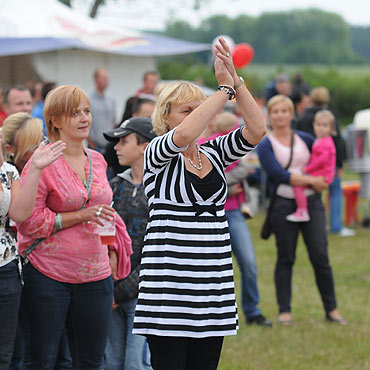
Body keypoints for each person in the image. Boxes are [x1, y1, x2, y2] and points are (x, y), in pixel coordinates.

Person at [132, 37, 266, 370]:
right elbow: (182, 136)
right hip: (170, 291)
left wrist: (236, 81)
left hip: (211, 288)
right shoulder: (157, 152)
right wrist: (223, 93)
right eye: (187, 110)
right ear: (166, 116)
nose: (198, 116)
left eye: (199, 108)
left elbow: (257, 129)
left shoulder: (215, 153)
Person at [16, 85, 132, 369]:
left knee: (91, 361)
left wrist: (111, 250)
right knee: (42, 360)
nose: (84, 118)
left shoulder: (98, 159)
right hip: (48, 276)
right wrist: (80, 216)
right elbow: (28, 223)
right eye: (74, 113)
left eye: (87, 111)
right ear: (55, 120)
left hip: (96, 276)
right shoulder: (42, 162)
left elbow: (105, 212)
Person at [257, 94, 346, 326]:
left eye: (284, 110)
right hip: (284, 205)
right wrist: (310, 180)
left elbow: (326, 158)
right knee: (285, 258)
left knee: (320, 256)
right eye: (275, 111)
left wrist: (323, 179)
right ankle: (284, 311)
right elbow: (278, 175)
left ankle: (332, 309)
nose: (280, 115)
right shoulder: (266, 144)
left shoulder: (306, 138)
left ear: (291, 113)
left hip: (313, 203)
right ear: (269, 115)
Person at [2, 112, 73, 370]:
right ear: (11, 148)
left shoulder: (22, 171)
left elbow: (26, 218)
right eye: (33, 143)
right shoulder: (14, 173)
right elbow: (31, 223)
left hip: (24, 268)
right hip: (27, 264)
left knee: (55, 353)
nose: (40, 147)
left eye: (42, 138)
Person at [103, 117, 156, 370]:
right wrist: (109, 284)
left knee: (135, 364)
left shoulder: (161, 189)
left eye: (124, 141)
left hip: (143, 294)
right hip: (111, 289)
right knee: (111, 362)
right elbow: (104, 236)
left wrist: (123, 289)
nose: (117, 147)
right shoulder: (113, 186)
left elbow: (156, 250)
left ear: (145, 146)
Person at [211, 112, 272, 327]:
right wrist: (227, 188)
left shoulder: (234, 146)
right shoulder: (205, 144)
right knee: (214, 269)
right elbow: (206, 182)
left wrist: (222, 183)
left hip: (235, 212)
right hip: (212, 214)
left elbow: (242, 170)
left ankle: (252, 310)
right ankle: (215, 313)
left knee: (249, 263)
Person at [294, 87, 354, 236]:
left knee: (312, 195)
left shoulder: (303, 116)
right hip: (324, 167)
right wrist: (339, 163)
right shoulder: (330, 116)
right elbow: (338, 141)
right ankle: (335, 225)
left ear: (311, 99)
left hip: (308, 163)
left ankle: (314, 222)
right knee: (334, 192)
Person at [287, 110, 337, 222]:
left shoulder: (325, 143)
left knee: (298, 185)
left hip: (322, 174)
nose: (321, 128)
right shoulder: (321, 140)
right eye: (318, 124)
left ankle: (302, 210)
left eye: (325, 125)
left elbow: (321, 160)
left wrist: (308, 168)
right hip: (321, 173)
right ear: (314, 125)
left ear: (331, 128)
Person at [88, 68, 117, 152]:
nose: (106, 81)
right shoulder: (89, 99)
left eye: (107, 78)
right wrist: (90, 141)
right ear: (96, 79)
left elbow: (113, 121)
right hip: (94, 146)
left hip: (109, 144)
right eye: (103, 78)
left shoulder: (111, 99)